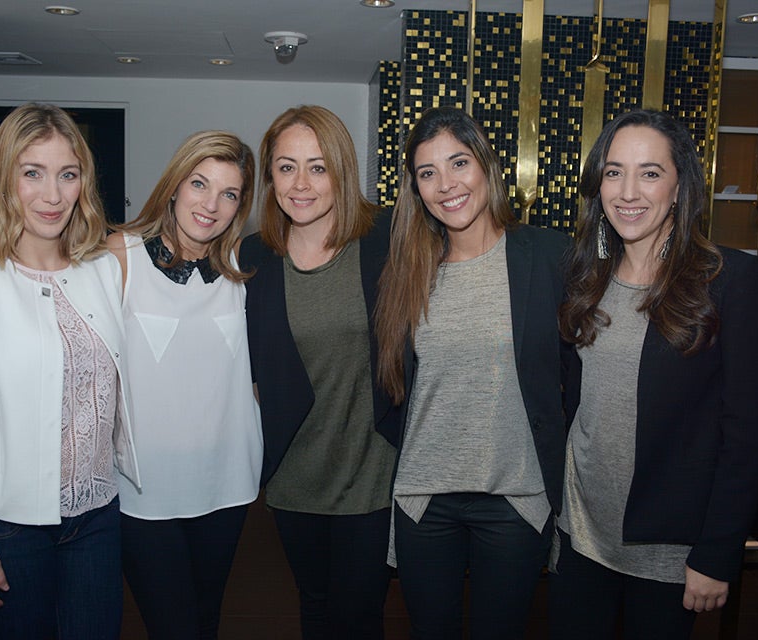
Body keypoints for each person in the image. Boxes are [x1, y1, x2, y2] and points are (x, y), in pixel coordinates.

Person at [550, 109, 758, 639]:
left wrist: (717, 553)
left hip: (667, 551)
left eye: (650, 173)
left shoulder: (729, 280)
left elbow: (747, 435)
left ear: (679, 187)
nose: (628, 191)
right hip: (580, 532)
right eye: (614, 172)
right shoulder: (584, 277)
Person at [0, 102, 138, 640]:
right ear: (5, 180)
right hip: (9, 529)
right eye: (32, 173)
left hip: (97, 517)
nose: (52, 195)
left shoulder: (99, 269)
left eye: (67, 174)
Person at [373, 106, 571, 639]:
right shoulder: (408, 271)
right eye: (427, 173)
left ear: (486, 165)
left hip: (514, 498)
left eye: (459, 162)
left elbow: (576, 379)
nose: (446, 184)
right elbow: (393, 387)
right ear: (416, 189)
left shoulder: (547, 256)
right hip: (425, 499)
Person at [238, 105, 398, 640]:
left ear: (342, 171)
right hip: (293, 479)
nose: (301, 184)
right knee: (315, 607)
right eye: (287, 167)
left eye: (318, 167)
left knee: (359, 616)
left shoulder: (384, 240)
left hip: (371, 476)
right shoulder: (254, 257)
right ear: (270, 176)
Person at [107, 130, 262, 639]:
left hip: (228, 482)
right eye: (199, 184)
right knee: (172, 626)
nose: (210, 205)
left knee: (205, 617)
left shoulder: (243, 264)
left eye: (229, 193)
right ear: (174, 185)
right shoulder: (120, 255)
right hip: (144, 488)